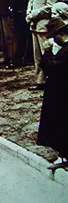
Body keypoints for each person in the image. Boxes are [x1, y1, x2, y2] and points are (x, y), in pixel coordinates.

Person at [36, 17, 68, 171]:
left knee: (61, 123)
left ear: (59, 34)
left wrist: (47, 52)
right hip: (61, 91)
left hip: (61, 93)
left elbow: (50, 67)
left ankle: (65, 155)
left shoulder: (65, 51)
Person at [26, 0, 61, 91]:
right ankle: (40, 80)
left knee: (47, 53)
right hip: (34, 23)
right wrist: (29, 12)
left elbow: (49, 7)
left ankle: (51, 80)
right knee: (37, 55)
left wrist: (33, 14)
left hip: (44, 23)